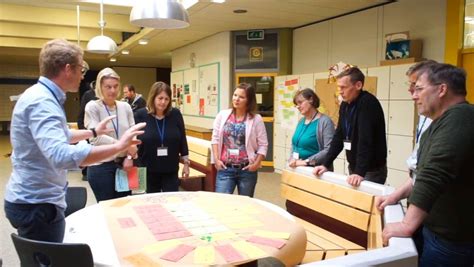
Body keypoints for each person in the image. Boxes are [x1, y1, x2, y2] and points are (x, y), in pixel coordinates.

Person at [4, 39, 145, 243]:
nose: (82, 75)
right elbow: (60, 155)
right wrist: (118, 146)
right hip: (36, 204)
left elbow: (60, 135)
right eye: (81, 68)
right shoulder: (42, 102)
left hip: (39, 200)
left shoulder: (44, 96)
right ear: (68, 69)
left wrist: (93, 131)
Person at [382, 63, 474, 267]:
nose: (414, 96)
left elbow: (435, 173)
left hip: (449, 240)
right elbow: (420, 173)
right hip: (430, 228)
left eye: (419, 89)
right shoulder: (439, 123)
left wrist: (407, 224)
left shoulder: (461, 117)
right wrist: (396, 195)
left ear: (442, 89)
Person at [313, 66, 387, 186]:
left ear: (358, 85)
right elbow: (339, 136)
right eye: (339, 88)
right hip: (355, 167)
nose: (340, 91)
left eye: (343, 87)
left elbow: (366, 139)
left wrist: (359, 172)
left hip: (370, 170)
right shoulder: (345, 105)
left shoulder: (368, 103)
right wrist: (326, 164)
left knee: (363, 203)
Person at [85, 68, 138, 202]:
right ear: (100, 87)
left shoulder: (125, 107)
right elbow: (95, 137)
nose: (112, 91)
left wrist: (130, 156)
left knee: (125, 205)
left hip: (125, 163)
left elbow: (133, 133)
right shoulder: (93, 107)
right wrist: (121, 145)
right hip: (101, 166)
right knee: (107, 208)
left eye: (115, 86)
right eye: (108, 87)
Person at [211, 83, 268, 197]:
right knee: (221, 202)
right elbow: (215, 139)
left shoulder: (256, 119)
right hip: (226, 167)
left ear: (249, 100)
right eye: (235, 95)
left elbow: (263, 144)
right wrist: (216, 160)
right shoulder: (222, 115)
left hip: (247, 169)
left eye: (241, 97)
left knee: (245, 205)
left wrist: (256, 164)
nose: (236, 99)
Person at [134, 82, 189, 193]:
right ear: (153, 98)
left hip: (170, 168)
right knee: (151, 204)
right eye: (160, 98)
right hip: (147, 169)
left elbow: (182, 138)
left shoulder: (175, 114)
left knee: (171, 202)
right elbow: (132, 141)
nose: (163, 102)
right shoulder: (140, 115)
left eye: (166, 99)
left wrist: (186, 164)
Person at [288, 88, 335, 169]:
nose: (298, 107)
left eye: (300, 102)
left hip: (315, 169)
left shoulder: (325, 122)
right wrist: (292, 158)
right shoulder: (301, 121)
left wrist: (306, 162)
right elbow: (294, 144)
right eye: (296, 104)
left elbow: (329, 150)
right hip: (297, 166)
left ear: (311, 100)